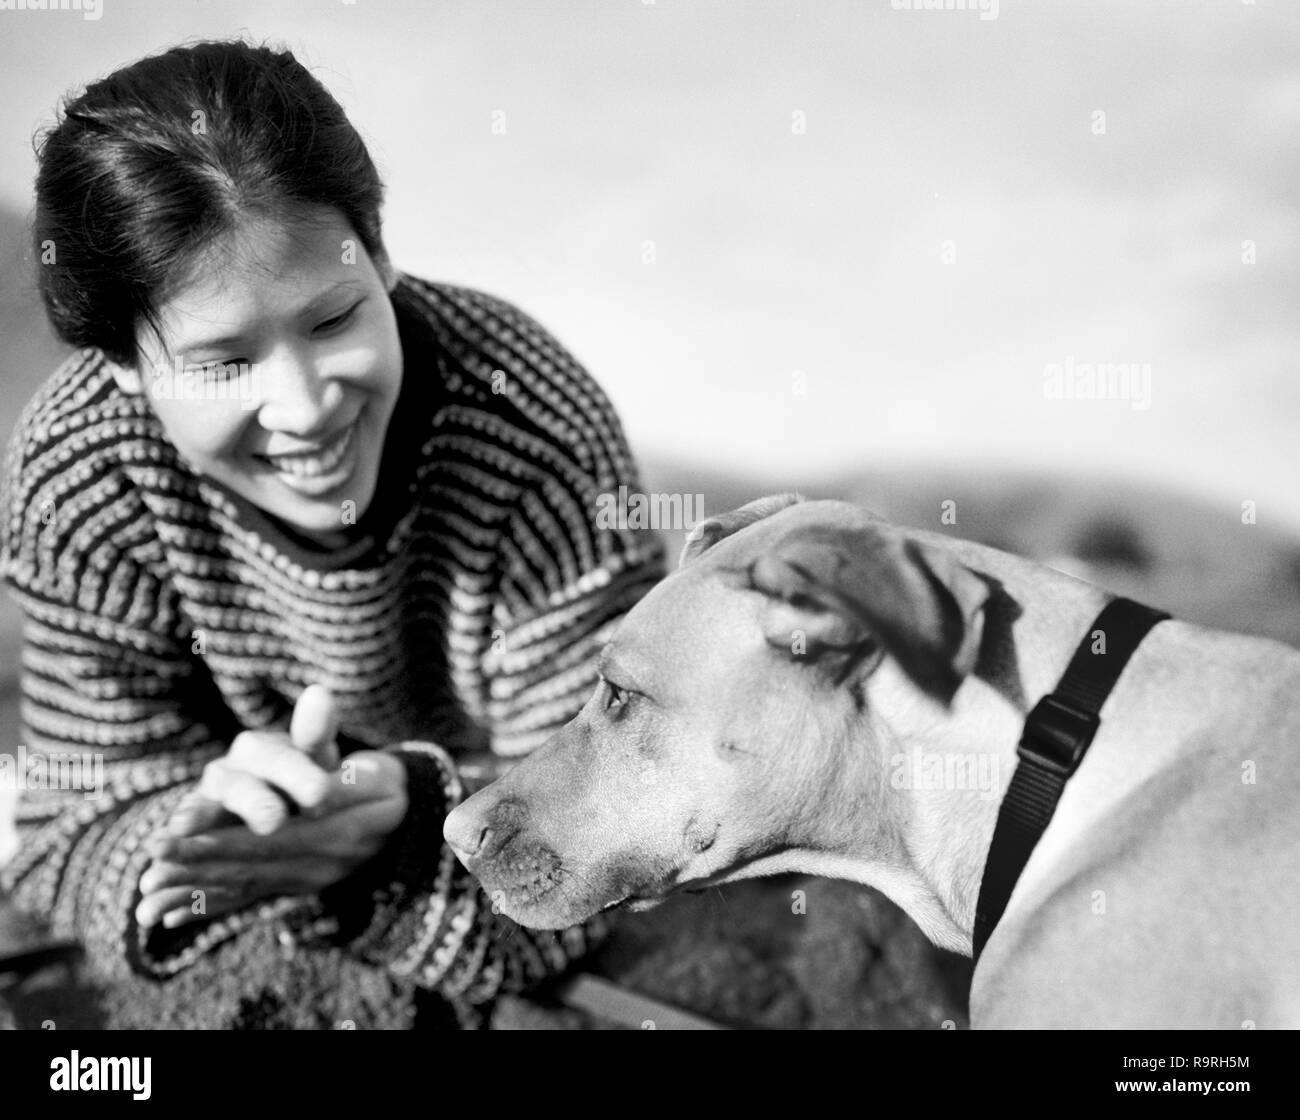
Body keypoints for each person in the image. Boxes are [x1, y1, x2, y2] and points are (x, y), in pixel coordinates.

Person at [0, 38, 664, 1029]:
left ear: (381, 254)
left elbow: (618, 829)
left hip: (469, 847)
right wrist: (198, 845)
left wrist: (391, 840)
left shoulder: (532, 431)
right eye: (224, 363)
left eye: (334, 319)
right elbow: (72, 825)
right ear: (125, 365)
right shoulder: (81, 476)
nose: (306, 407)